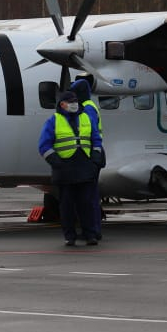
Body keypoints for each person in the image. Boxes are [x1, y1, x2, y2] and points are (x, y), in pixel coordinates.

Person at [38, 89, 104, 246]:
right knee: (67, 206)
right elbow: (44, 145)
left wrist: (95, 158)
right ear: (62, 104)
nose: (74, 104)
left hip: (84, 167)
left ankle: (90, 235)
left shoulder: (86, 117)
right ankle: (70, 236)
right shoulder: (53, 121)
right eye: (71, 102)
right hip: (65, 170)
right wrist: (56, 162)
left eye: (75, 102)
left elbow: (96, 139)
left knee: (86, 204)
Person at [71, 75, 104, 241]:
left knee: (89, 196)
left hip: (90, 156)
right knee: (88, 195)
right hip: (89, 155)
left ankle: (94, 230)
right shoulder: (87, 105)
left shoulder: (87, 108)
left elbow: (90, 133)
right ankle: (91, 229)